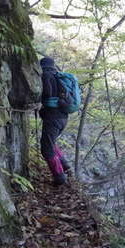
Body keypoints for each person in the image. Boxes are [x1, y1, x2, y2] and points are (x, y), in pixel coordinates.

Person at [39, 57, 71, 186]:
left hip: (53, 117)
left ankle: (60, 177)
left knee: (47, 149)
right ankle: (65, 166)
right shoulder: (58, 76)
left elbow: (47, 94)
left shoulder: (46, 75)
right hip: (63, 117)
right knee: (51, 143)